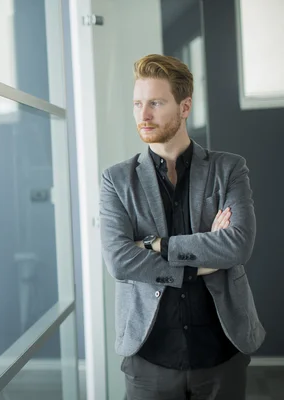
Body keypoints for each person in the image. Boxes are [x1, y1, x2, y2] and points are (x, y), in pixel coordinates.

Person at [99, 54, 265, 399]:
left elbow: (238, 245)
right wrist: (201, 262)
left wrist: (156, 244)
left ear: (184, 106)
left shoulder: (229, 169)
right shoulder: (116, 180)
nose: (143, 115)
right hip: (149, 354)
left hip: (221, 350)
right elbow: (119, 261)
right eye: (137, 104)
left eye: (156, 103)